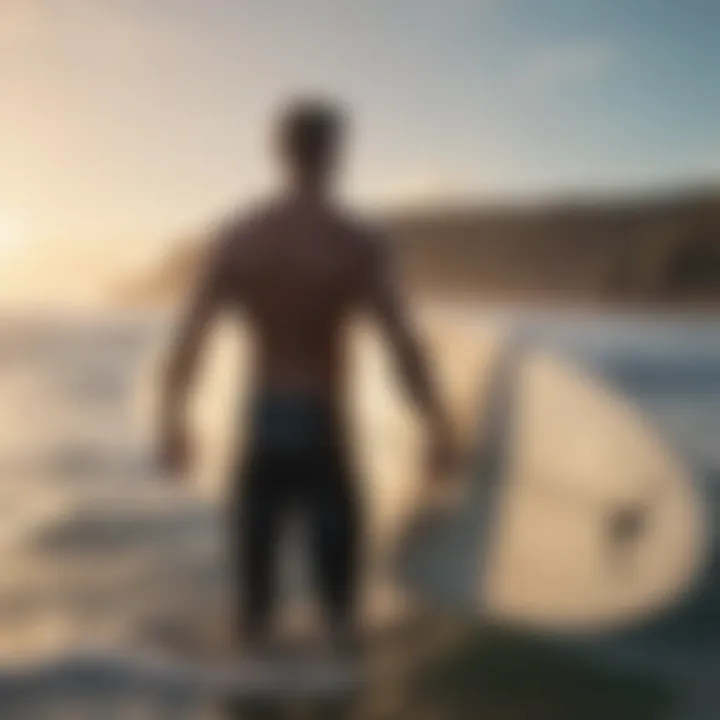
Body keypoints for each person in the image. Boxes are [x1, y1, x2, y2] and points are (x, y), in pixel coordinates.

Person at [158, 98, 455, 655]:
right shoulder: (356, 242)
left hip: (264, 430)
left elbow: (190, 339)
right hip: (326, 431)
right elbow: (401, 346)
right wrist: (439, 428)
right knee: (341, 623)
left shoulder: (240, 237)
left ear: (277, 152)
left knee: (251, 623)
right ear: (337, 153)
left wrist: (173, 421)